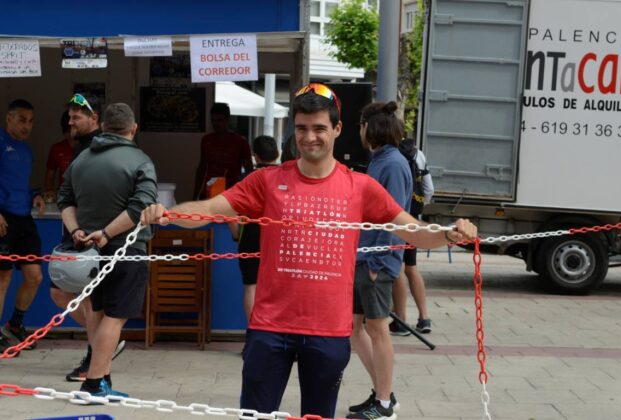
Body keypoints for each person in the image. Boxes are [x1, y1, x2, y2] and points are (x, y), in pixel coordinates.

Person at [140, 83, 477, 418]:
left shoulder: (360, 187)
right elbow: (211, 209)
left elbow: (413, 231)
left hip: (328, 331)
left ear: (337, 129)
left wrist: (450, 234)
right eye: (301, 128)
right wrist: (168, 214)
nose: (309, 137)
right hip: (270, 328)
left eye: (319, 128)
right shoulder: (267, 180)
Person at [57, 103, 157, 398]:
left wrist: (76, 230)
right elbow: (140, 208)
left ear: (102, 127)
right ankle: (94, 384)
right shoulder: (141, 160)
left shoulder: (81, 159)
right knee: (115, 317)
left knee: (96, 312)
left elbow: (64, 199)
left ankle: (102, 379)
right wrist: (107, 233)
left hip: (88, 251)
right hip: (126, 248)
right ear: (133, 128)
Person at [348, 101, 412, 420]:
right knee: (355, 328)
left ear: (369, 128)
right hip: (366, 259)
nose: (359, 131)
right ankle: (383, 393)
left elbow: (393, 219)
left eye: (361, 125)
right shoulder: (381, 161)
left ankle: (384, 404)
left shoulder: (393, 164)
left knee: (377, 329)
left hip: (377, 262)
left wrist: (376, 264)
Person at [0, 99, 46, 355]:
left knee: (34, 276)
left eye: (30, 121)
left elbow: (18, 183)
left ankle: (15, 325)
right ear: (9, 118)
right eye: (21, 120)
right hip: (3, 218)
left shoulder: (26, 150)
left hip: (23, 219)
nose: (26, 126)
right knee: (3, 277)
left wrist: (34, 195)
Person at [227, 135, 279, 323]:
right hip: (278, 236)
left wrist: (236, 235)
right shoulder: (287, 177)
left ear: (255, 156)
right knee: (279, 286)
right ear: (277, 154)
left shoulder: (245, 178)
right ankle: (275, 332)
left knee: (251, 286)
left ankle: (253, 332)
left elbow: (229, 210)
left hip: (250, 234)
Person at [390, 139, 435, 337]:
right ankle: (424, 318)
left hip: (397, 217)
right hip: (413, 217)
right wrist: (418, 207)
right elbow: (429, 189)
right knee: (411, 267)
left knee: (398, 268)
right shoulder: (418, 154)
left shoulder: (391, 156)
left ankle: (400, 320)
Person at [193, 102, 253, 198]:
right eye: (213, 120)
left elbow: (249, 172)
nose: (215, 124)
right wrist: (195, 194)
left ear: (228, 120)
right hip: (209, 191)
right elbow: (202, 168)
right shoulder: (206, 140)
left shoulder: (240, 142)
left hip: (230, 194)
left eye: (219, 120)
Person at [43, 111, 76, 202]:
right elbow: (50, 176)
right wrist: (50, 190)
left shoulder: (88, 147)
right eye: (68, 132)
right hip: (64, 197)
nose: (71, 136)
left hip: (85, 196)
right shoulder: (57, 149)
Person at [67, 93, 100, 159]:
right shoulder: (80, 146)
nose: (70, 122)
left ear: (94, 119)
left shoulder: (101, 147)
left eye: (75, 117)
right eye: (70, 117)